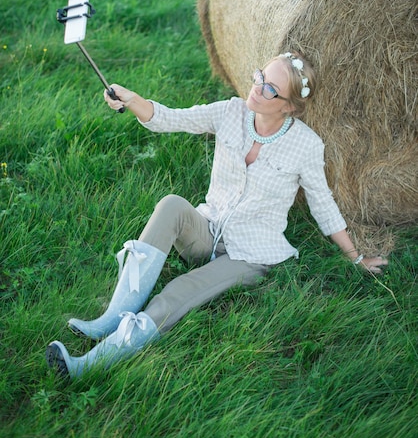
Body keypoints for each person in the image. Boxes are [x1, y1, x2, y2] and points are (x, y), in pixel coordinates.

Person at [46, 52, 388, 378]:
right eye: (261, 76)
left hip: (251, 254)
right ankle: (112, 317)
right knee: (171, 205)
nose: (257, 86)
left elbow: (322, 203)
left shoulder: (306, 145)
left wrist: (354, 257)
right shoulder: (231, 112)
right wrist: (133, 100)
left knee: (179, 290)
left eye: (270, 88)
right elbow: (172, 118)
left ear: (290, 107)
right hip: (209, 229)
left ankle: (88, 365)